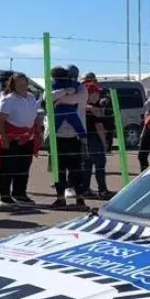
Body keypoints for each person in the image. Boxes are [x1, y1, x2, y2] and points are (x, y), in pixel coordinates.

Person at [0, 72, 42, 206]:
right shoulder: (8, 99)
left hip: (28, 138)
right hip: (11, 137)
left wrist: (38, 131)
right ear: (13, 84)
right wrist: (4, 138)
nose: (23, 86)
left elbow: (34, 115)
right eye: (19, 84)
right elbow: (0, 121)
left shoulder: (31, 97)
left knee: (23, 167)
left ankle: (20, 194)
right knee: (7, 168)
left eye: (25, 83)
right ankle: (5, 196)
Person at [48, 65, 89, 210]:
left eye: (73, 75)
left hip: (75, 136)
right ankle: (60, 198)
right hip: (57, 136)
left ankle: (80, 198)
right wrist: (64, 92)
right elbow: (47, 97)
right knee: (58, 169)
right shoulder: (54, 86)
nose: (71, 78)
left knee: (76, 169)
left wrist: (60, 100)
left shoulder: (81, 88)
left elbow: (80, 98)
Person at [82, 72, 113, 200]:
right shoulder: (94, 109)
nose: (98, 95)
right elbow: (99, 126)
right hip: (95, 138)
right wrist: (104, 141)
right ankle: (102, 190)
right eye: (95, 93)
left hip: (84, 139)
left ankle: (85, 189)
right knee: (100, 164)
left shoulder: (82, 106)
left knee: (87, 165)